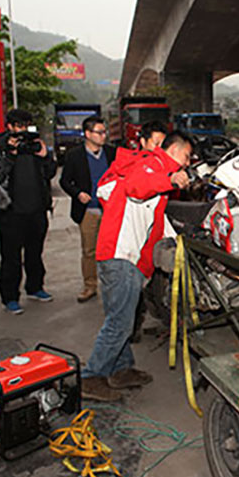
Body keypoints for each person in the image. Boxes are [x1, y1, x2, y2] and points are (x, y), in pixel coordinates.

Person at [80, 131, 192, 401]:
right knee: (119, 322)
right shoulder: (151, 165)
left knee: (121, 318)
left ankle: (121, 369)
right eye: (187, 156)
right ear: (174, 150)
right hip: (122, 255)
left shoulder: (154, 171)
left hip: (122, 255)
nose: (188, 163)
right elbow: (136, 187)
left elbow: (155, 220)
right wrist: (170, 179)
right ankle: (91, 377)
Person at [0, 109, 57, 314]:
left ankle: (35, 287)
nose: (23, 130)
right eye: (19, 126)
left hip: (37, 210)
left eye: (26, 125)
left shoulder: (34, 144)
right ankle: (10, 297)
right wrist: (11, 155)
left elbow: (50, 173)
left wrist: (45, 157)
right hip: (11, 212)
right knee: (11, 258)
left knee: (35, 254)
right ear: (9, 127)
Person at [60, 116, 116, 303]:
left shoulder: (112, 153)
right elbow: (64, 181)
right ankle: (90, 286)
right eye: (99, 132)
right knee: (89, 251)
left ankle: (112, 285)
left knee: (111, 250)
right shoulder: (74, 156)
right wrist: (78, 194)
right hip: (88, 211)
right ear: (88, 134)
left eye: (104, 132)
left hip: (111, 211)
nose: (103, 136)